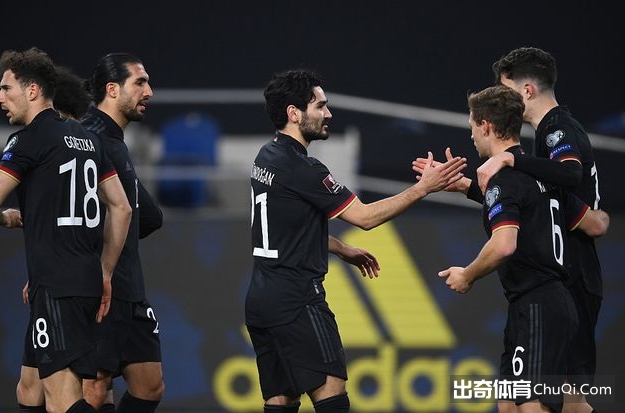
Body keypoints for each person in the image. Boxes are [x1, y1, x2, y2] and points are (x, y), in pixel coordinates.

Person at [246, 69, 467, 413]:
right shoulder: (305, 169)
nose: (328, 114)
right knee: (331, 392)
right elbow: (365, 218)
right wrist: (423, 188)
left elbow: (286, 228)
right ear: (294, 113)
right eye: (320, 106)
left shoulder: (265, 156)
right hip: (297, 300)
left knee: (281, 399)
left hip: (261, 300)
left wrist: (341, 248)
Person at [0, 47, 131, 413]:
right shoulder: (88, 140)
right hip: (78, 281)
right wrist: (106, 271)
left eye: (6, 88)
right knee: (29, 389)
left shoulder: (30, 139)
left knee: (62, 400)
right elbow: (121, 208)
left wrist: (5, 218)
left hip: (58, 288)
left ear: (32, 91)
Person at [438, 85, 609, 413]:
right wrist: (465, 187)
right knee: (509, 405)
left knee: (533, 405)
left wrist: (468, 275)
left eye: (472, 126)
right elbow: (594, 224)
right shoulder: (537, 174)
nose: (471, 135)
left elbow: (504, 245)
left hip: (539, 305)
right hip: (533, 306)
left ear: (486, 125)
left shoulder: (504, 181)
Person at [80, 52, 164, 413]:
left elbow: (148, 217)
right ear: (112, 89)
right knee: (96, 387)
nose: (149, 92)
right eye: (140, 83)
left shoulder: (114, 141)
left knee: (150, 386)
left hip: (129, 286)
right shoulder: (87, 139)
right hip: (101, 287)